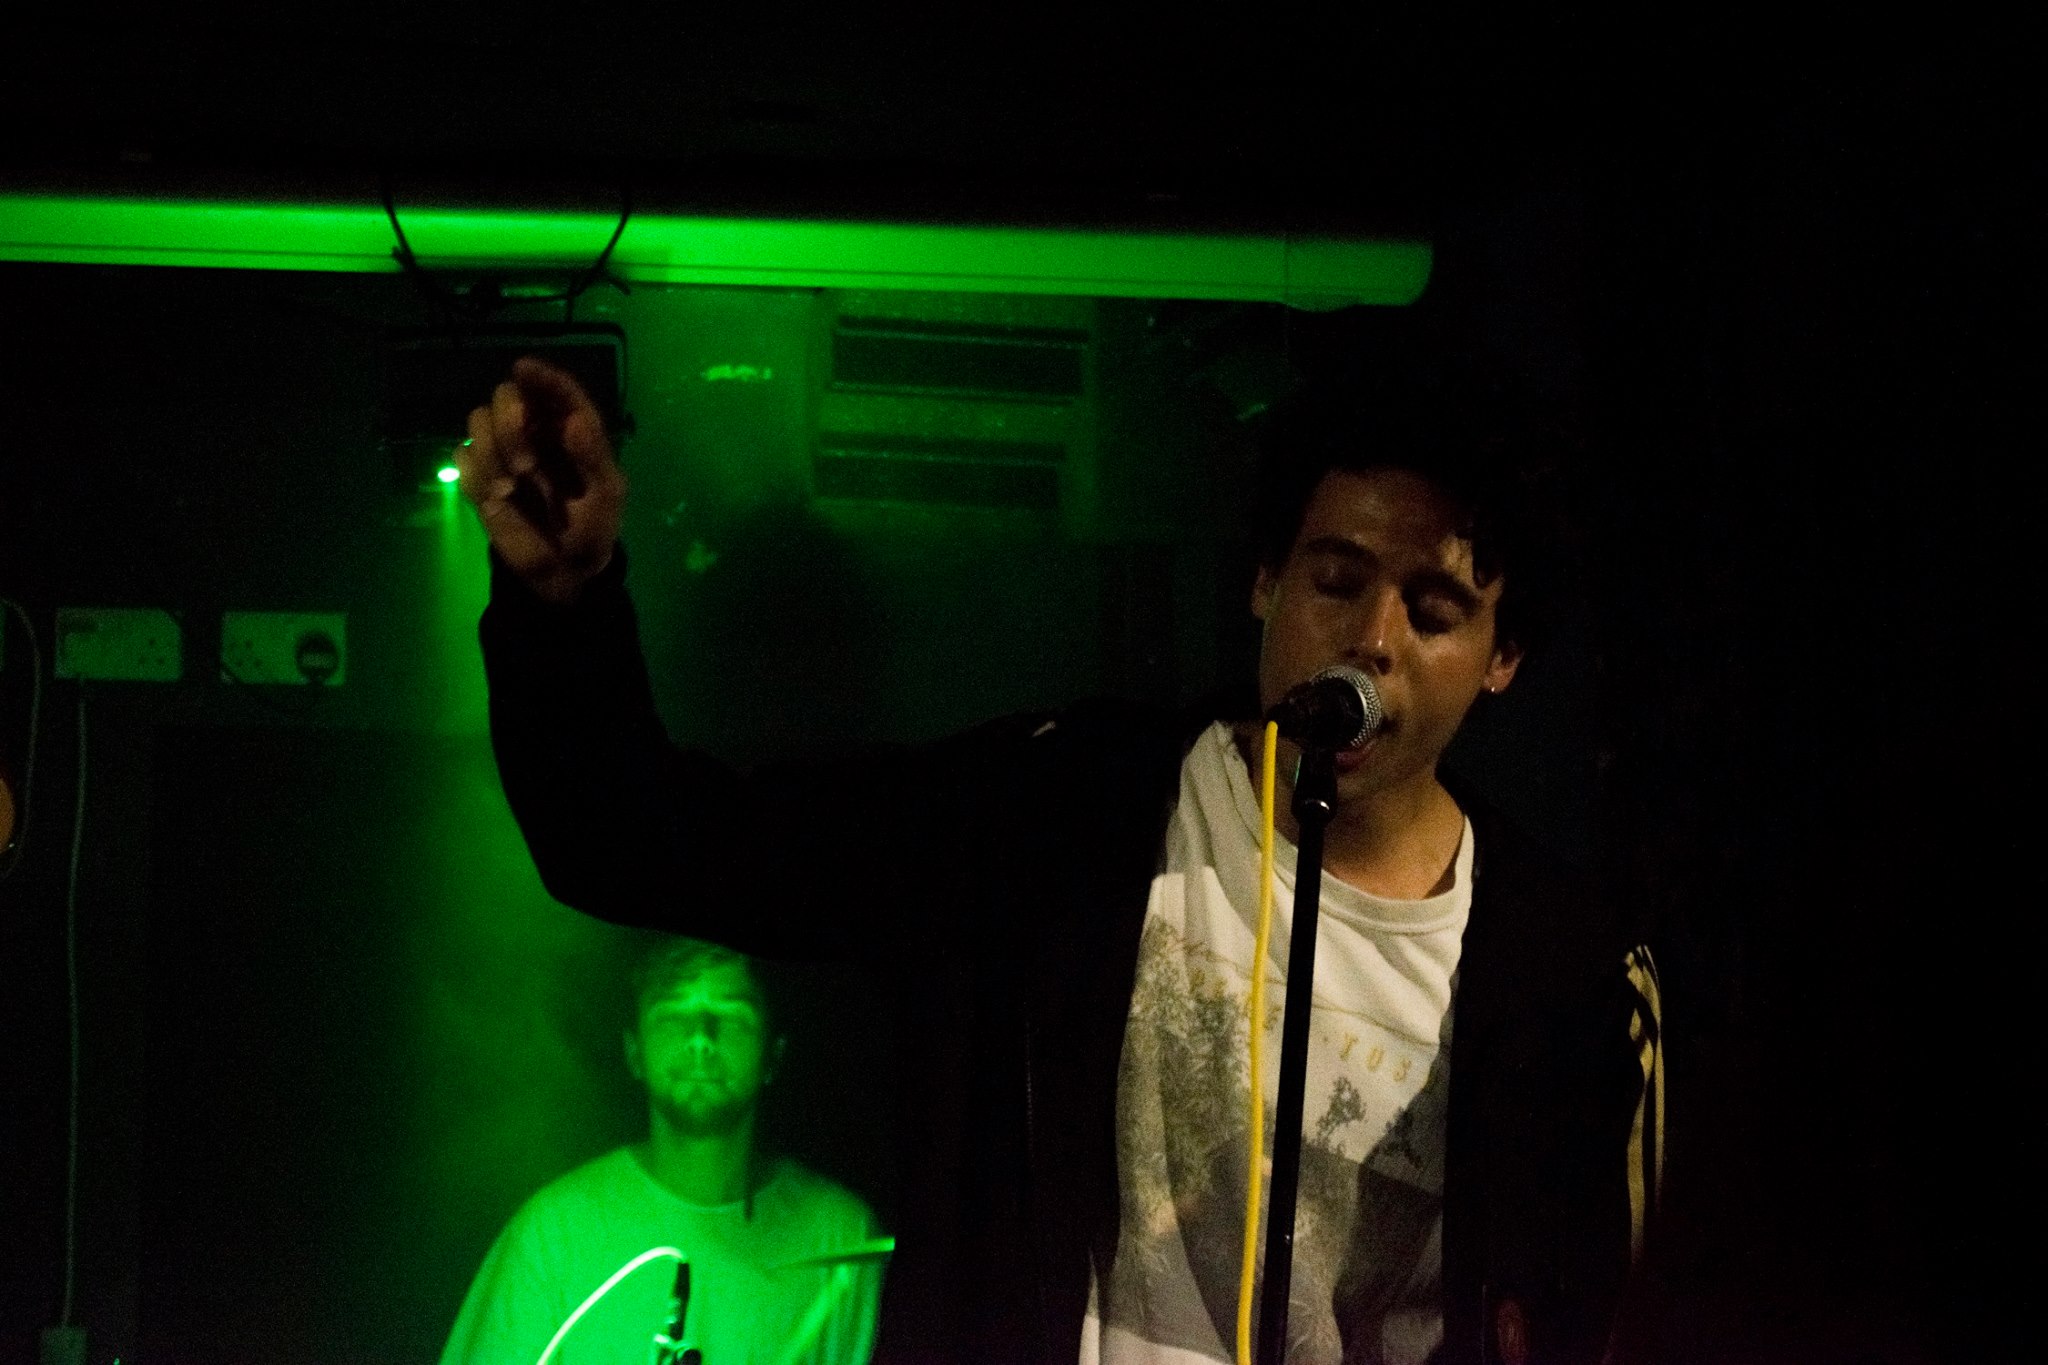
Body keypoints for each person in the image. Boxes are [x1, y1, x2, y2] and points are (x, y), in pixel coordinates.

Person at [461, 357, 1662, 1364]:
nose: (1370, 640)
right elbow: (645, 845)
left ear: (1501, 657)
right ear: (1262, 581)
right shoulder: (1060, 814)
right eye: (1335, 582)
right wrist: (560, 603)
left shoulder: (1563, 969)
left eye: (1433, 612)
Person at [440, 936, 885, 1365]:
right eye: (673, 1017)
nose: (701, 1040)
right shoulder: (550, 1238)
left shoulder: (841, 1236)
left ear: (774, 1054)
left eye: (732, 1018)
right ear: (634, 1052)